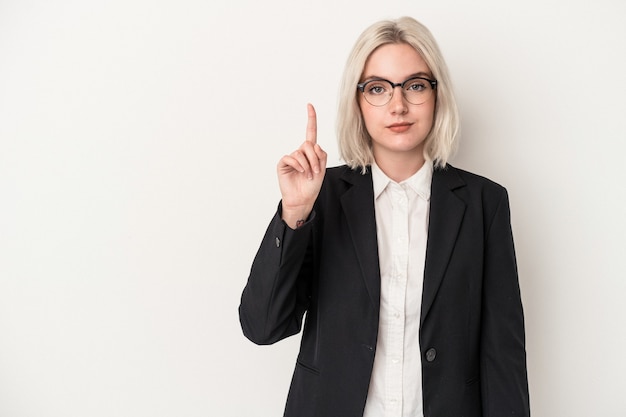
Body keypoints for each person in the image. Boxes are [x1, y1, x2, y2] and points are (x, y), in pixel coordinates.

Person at [239, 16, 530, 417]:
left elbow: (504, 354)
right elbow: (263, 326)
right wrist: (294, 213)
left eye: (414, 85)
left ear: (436, 95)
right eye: (378, 88)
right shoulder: (320, 197)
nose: (398, 105)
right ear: (357, 102)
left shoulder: (484, 204)